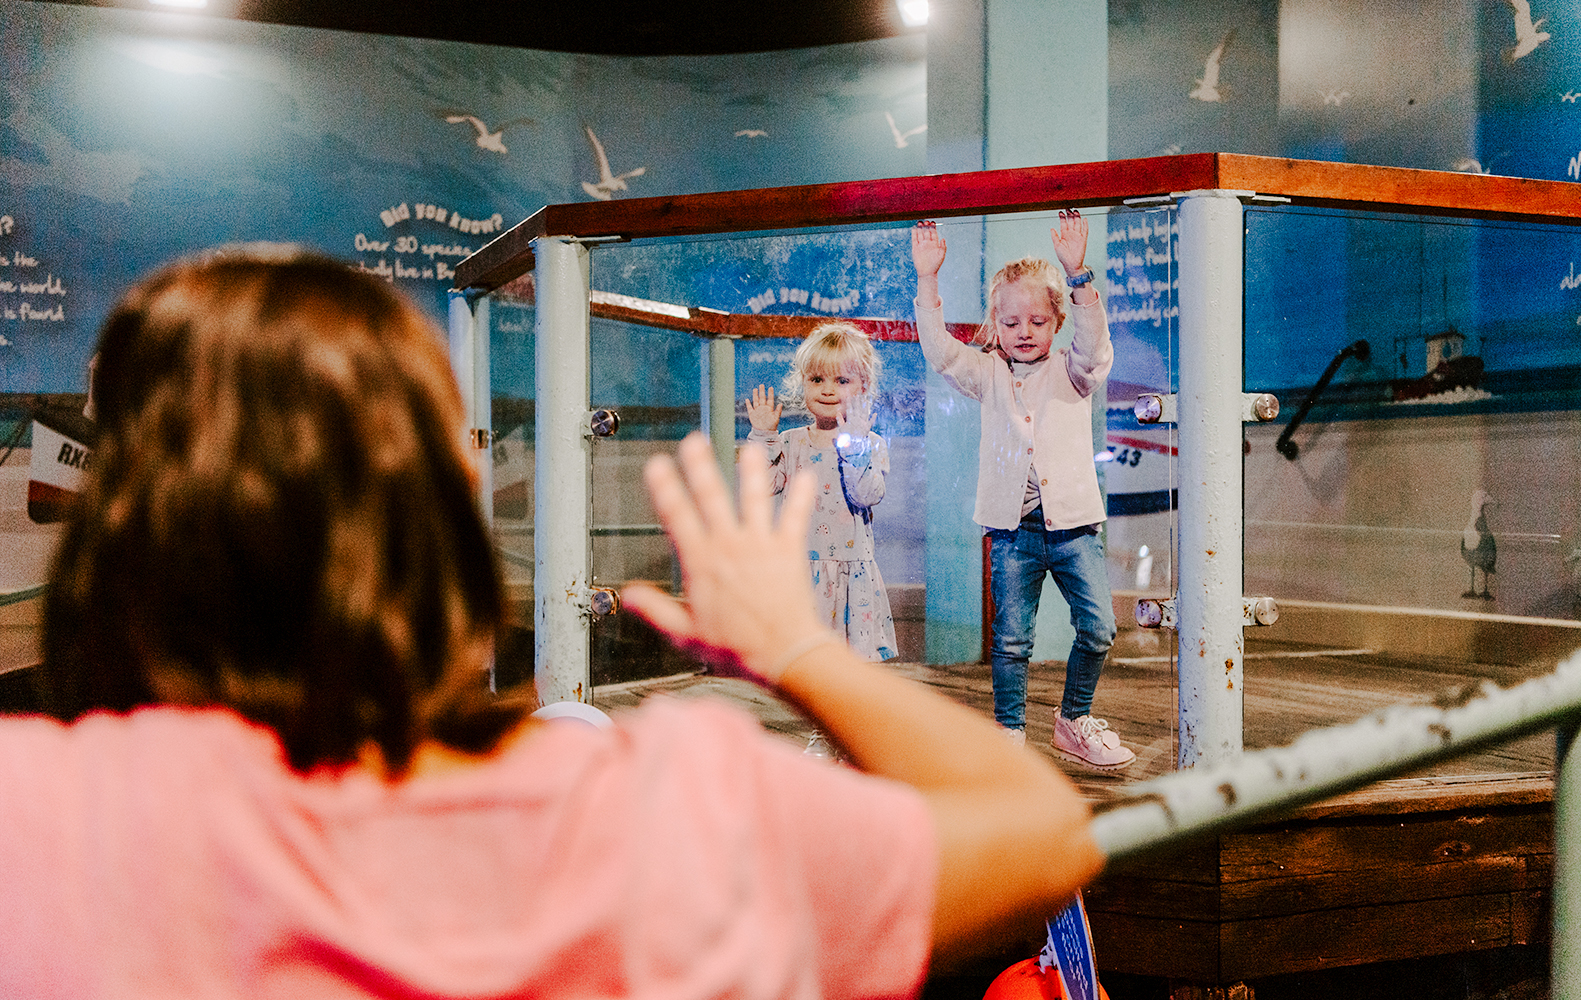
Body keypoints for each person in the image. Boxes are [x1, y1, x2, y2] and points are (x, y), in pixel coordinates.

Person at [2, 249, 1103, 998]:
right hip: (779, 672)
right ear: (438, 527)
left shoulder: (34, 818)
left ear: (120, 531)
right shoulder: (659, 822)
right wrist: (798, 649)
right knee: (573, 725)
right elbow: (1041, 831)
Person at [911, 212, 1134, 770]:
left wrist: (1077, 274)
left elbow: (1096, 347)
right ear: (997, 324)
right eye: (1012, 323)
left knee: (1099, 628)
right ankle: (1009, 734)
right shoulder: (987, 373)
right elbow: (939, 351)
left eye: (1037, 319)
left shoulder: (1073, 370)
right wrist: (928, 278)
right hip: (1013, 533)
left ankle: (1074, 719)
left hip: (1075, 528)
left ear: (1057, 322)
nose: (1025, 331)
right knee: (1012, 641)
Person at [747, 322, 896, 662]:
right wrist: (763, 436)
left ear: (863, 386)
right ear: (803, 382)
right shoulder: (791, 441)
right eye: (817, 379)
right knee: (808, 661)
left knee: (853, 666)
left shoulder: (870, 443)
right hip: (802, 571)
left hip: (850, 571)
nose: (828, 390)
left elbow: (867, 494)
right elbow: (763, 486)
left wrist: (855, 446)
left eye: (842, 380)